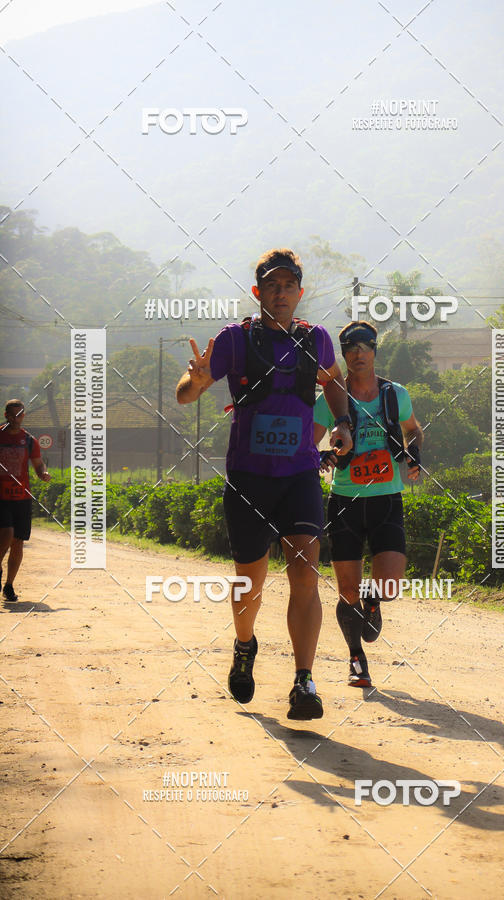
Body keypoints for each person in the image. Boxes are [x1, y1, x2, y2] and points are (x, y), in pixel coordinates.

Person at [176, 248, 352, 719]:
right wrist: (194, 381)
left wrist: (342, 422)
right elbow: (184, 393)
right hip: (249, 479)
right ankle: (244, 644)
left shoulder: (316, 339)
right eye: (270, 285)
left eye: (287, 285)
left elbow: (333, 382)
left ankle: (304, 682)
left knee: (304, 577)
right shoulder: (234, 339)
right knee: (249, 584)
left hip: (299, 476)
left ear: (299, 291)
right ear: (257, 292)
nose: (279, 292)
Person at [313, 321, 423, 688]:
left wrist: (414, 453)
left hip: (386, 500)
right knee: (347, 592)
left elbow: (414, 429)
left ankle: (373, 603)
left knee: (389, 585)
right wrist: (322, 457)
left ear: (375, 351)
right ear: (343, 355)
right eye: (350, 348)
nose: (357, 354)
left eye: (364, 347)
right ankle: (356, 661)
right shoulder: (330, 398)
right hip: (344, 501)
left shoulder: (395, 395)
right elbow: (309, 444)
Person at [0, 399, 52, 603]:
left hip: (21, 496)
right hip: (1, 496)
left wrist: (43, 473)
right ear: (6, 415)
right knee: (6, 534)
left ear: (23, 416)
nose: (16, 419)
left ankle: (9, 585)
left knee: (17, 543)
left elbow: (38, 465)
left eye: (19, 415)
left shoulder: (29, 440)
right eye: (12, 415)